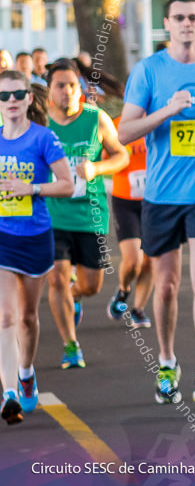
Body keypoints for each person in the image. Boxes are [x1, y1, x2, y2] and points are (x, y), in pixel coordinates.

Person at [118, 0, 195, 406]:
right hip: (162, 193)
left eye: (193, 17)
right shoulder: (149, 71)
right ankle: (168, 360)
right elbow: (125, 132)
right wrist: (166, 112)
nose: (187, 24)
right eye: (179, 18)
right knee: (167, 285)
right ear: (167, 24)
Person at [44, 59, 128, 369]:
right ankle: (70, 344)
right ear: (49, 90)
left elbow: (121, 154)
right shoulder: (40, 123)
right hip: (52, 215)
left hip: (90, 214)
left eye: (72, 85)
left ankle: (75, 295)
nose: (67, 91)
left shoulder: (96, 118)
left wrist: (96, 168)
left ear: (80, 88)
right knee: (56, 279)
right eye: (60, 85)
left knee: (91, 285)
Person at [0, 70, 74, 423]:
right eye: (3, 96)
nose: (10, 101)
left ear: (29, 99)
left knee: (28, 318)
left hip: (34, 236)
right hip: (2, 236)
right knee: (5, 317)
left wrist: (30, 189)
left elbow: (67, 184)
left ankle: (26, 372)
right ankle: (9, 391)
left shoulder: (44, 139)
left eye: (17, 94)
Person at [107, 114, 154, 329]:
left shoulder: (160, 119)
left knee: (150, 260)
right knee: (134, 260)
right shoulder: (115, 125)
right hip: (125, 200)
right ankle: (124, 290)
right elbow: (103, 158)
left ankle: (138, 309)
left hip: (155, 200)